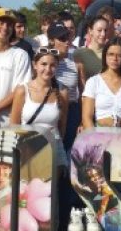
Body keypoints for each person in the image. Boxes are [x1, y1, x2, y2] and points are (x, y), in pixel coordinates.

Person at [9, 48, 68, 167]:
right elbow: (14, 125)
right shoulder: (22, 90)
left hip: (54, 148)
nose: (48, 69)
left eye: (52, 65)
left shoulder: (62, 91)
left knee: (54, 185)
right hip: (27, 149)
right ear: (35, 65)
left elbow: (62, 126)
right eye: (44, 64)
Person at [81, 37, 121, 137]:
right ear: (105, 56)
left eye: (119, 55)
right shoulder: (94, 82)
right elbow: (86, 117)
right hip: (99, 136)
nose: (114, 58)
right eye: (111, 54)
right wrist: (94, 140)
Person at [48, 22, 81, 152]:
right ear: (51, 41)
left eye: (68, 37)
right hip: (50, 110)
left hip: (72, 111)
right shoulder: (44, 61)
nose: (67, 42)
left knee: (68, 151)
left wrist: (82, 121)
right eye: (62, 39)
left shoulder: (76, 62)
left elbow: (83, 93)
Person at [74, 16, 108, 90]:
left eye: (105, 30)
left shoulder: (110, 54)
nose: (103, 34)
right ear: (90, 31)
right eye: (99, 30)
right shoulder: (79, 53)